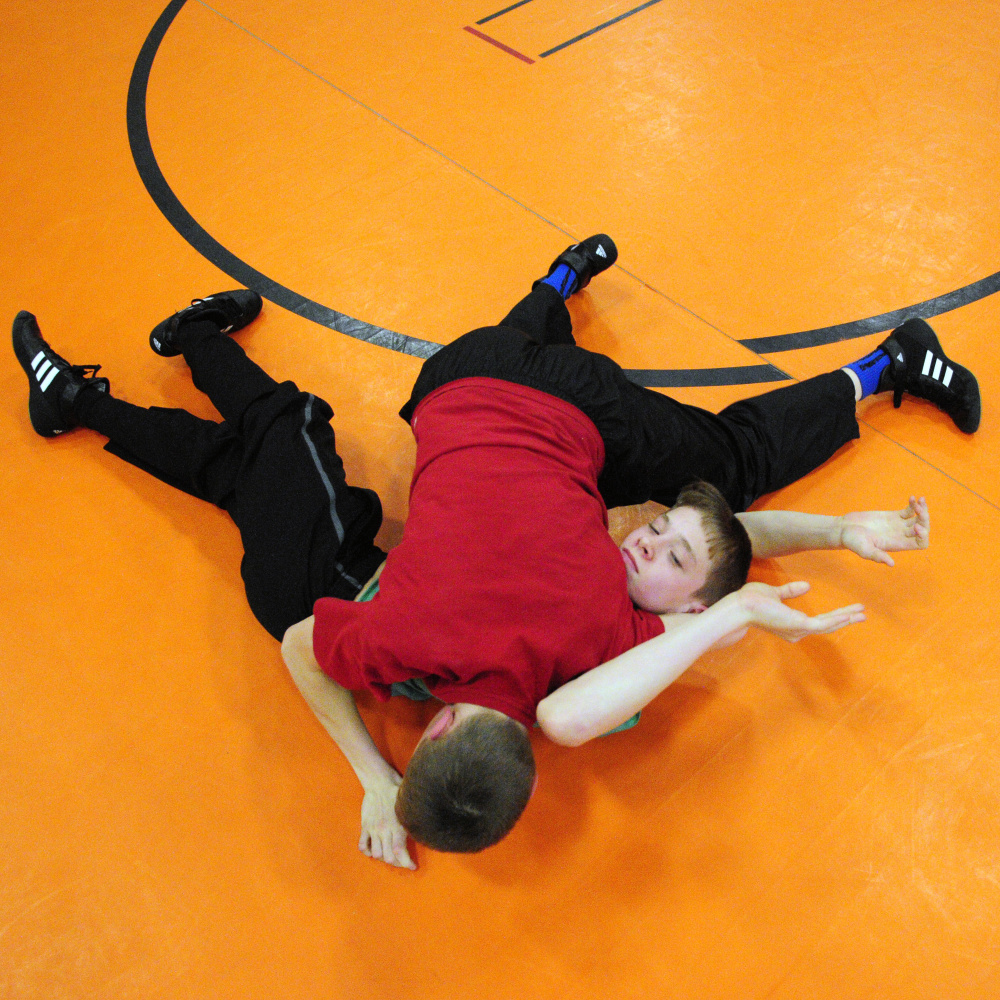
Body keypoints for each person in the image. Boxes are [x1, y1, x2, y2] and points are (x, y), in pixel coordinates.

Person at [13, 234, 964, 869]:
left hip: (525, 386)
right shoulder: (401, 643)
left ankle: (868, 363)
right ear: (432, 730)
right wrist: (375, 782)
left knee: (718, 478)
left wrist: (832, 542)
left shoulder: (608, 642)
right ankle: (884, 360)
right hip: (452, 383)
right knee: (723, 467)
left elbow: (722, 548)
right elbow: (305, 640)